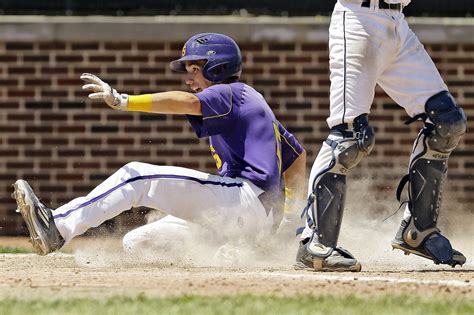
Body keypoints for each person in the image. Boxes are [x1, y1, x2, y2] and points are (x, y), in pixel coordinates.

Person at [12, 33, 306, 258]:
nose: (189, 78)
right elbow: (297, 157)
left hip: (245, 200)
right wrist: (287, 220)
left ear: (219, 66)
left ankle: (58, 228)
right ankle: (238, 254)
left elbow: (189, 103)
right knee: (138, 243)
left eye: (194, 68)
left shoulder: (231, 92)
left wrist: (124, 100)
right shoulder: (249, 101)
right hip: (243, 218)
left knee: (136, 175)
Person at [295, 0, 467, 272]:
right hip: (358, 21)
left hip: (398, 25)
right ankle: (314, 243)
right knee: (349, 138)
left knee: (447, 122)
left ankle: (418, 231)